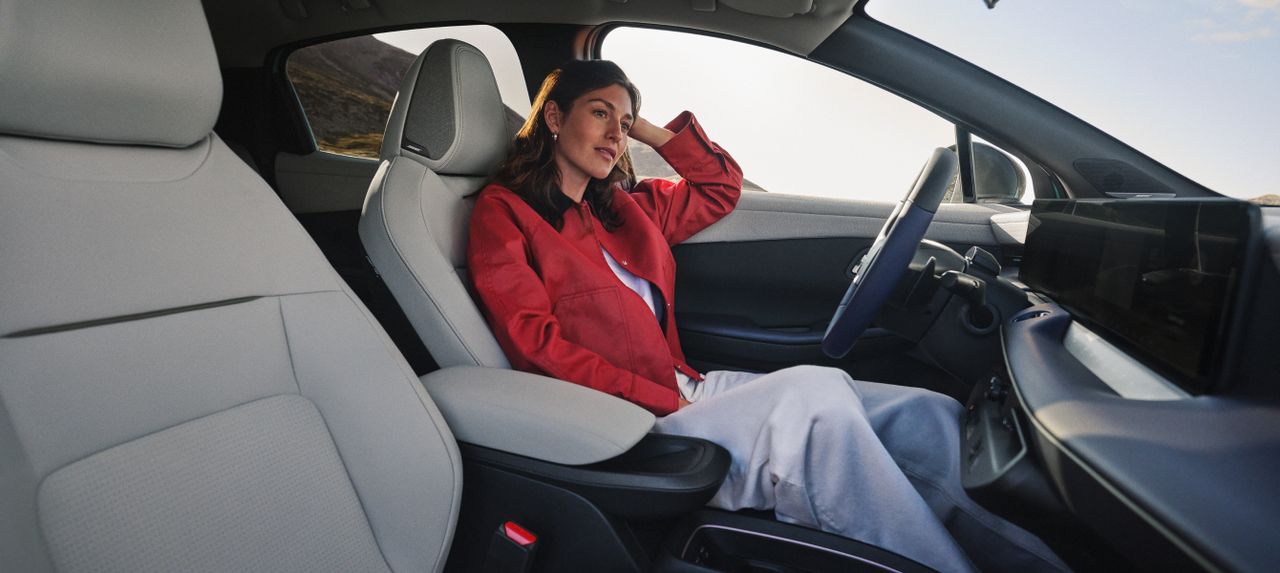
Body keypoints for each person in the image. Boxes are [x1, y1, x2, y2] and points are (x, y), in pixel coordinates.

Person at [467, 59, 1068, 573]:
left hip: (687, 386)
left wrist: (642, 126)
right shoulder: (506, 213)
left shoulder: (627, 208)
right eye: (599, 114)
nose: (615, 136)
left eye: (623, 124)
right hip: (627, 419)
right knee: (814, 407)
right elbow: (534, 343)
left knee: (922, 411)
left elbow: (719, 185)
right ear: (553, 117)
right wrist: (660, 399)